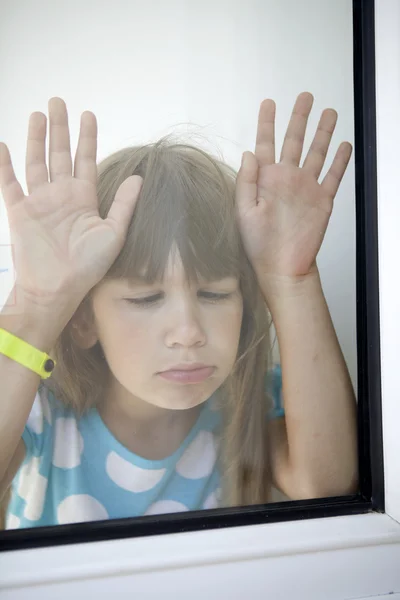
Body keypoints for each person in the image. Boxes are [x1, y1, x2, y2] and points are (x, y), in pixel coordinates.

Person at [0, 93, 358, 529]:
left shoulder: (250, 401)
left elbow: (325, 484)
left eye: (215, 294)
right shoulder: (41, 409)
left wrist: (291, 281)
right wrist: (36, 306)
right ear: (83, 321)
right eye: (146, 299)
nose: (188, 332)